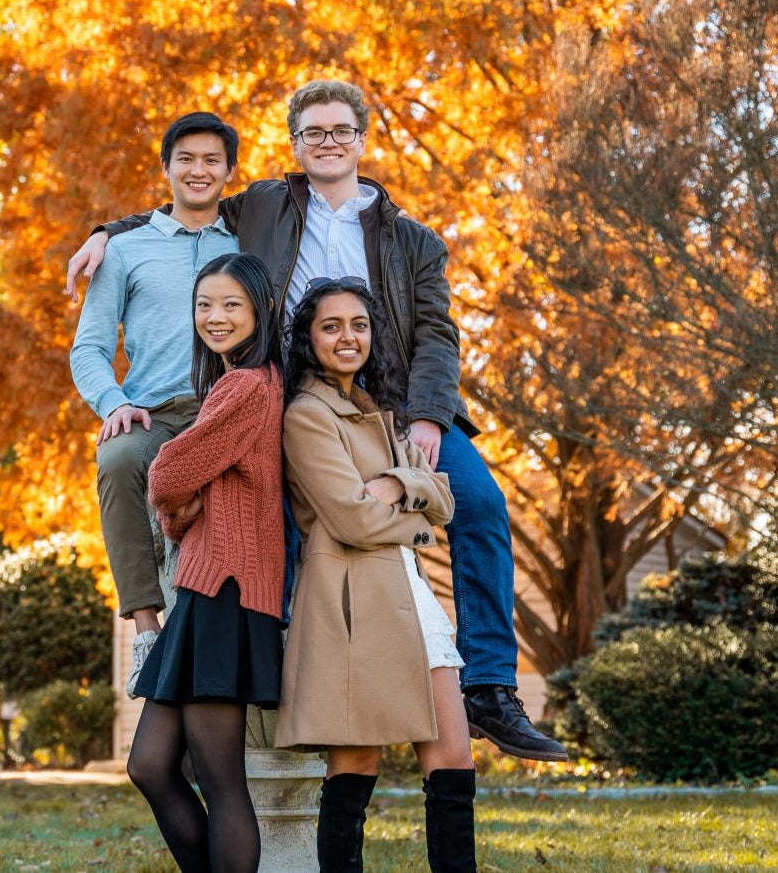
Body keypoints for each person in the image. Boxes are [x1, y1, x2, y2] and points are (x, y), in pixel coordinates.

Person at [68, 81, 569, 762]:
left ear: (362, 140)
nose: (328, 142)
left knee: (479, 504)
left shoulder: (412, 239)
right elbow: (188, 203)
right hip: (298, 399)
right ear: (295, 145)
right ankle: (291, 677)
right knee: (288, 529)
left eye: (340, 131)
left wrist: (426, 417)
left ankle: (488, 686)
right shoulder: (268, 205)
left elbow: (438, 334)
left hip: (393, 404)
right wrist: (108, 232)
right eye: (313, 133)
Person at [278, 277, 474, 871]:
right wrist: (415, 518)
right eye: (331, 325)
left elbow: (444, 497)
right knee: (355, 765)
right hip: (353, 601)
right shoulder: (307, 416)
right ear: (309, 339)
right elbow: (351, 520)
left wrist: (393, 483)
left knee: (454, 760)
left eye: (358, 325)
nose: (347, 337)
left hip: (411, 595)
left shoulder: (381, 414)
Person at [68, 112, 240, 696]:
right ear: (166, 168)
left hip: (231, 407)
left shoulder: (248, 243)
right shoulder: (124, 250)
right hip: (154, 411)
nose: (199, 170)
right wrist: (112, 401)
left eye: (211, 160)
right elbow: (88, 347)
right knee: (118, 458)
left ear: (229, 171)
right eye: (186, 159)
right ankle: (147, 628)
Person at [128, 252, 286, 873]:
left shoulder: (246, 385)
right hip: (208, 586)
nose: (214, 317)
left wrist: (174, 516)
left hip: (227, 590)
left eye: (231, 305)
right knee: (150, 765)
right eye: (204, 305)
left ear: (260, 311)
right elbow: (185, 473)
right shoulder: (238, 384)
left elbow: (167, 471)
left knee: (222, 781)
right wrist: (183, 508)